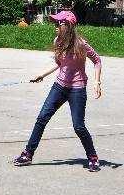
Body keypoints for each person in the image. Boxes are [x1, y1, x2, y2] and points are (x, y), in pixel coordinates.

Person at [12, 11, 103, 172]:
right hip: (59, 87)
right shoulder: (58, 41)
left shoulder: (81, 44)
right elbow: (60, 63)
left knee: (78, 126)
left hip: (77, 89)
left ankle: (93, 157)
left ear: (67, 26)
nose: (55, 27)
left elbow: (97, 60)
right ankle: (28, 154)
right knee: (41, 118)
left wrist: (97, 82)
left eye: (58, 24)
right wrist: (42, 75)